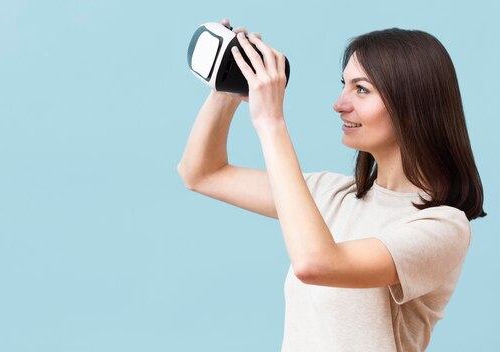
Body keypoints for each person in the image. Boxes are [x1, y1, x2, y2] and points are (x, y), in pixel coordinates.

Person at [177, 18, 486, 352]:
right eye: (344, 85)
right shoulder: (330, 194)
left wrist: (271, 123)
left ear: (412, 105)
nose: (340, 104)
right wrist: (232, 82)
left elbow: (317, 264)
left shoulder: (441, 228)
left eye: (361, 89)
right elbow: (201, 173)